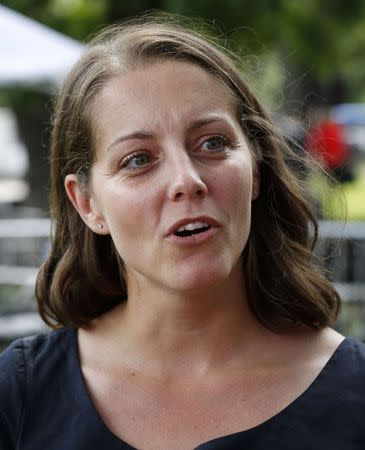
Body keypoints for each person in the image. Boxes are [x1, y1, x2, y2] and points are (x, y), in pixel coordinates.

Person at [1, 15, 364, 450]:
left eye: (212, 143)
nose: (186, 180)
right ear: (87, 204)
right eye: (138, 160)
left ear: (255, 170)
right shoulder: (20, 396)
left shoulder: (354, 394)